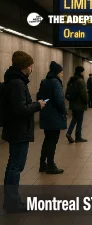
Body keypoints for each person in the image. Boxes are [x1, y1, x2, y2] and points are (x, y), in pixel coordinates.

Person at [2, 51, 46, 213]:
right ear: (25, 66)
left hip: (16, 129)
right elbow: (20, 109)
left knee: (14, 165)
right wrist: (37, 105)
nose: (32, 68)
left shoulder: (14, 81)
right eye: (30, 65)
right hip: (19, 130)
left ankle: (12, 200)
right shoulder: (17, 84)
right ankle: (12, 202)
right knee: (15, 167)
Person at [37, 61, 66, 174]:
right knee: (52, 141)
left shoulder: (44, 81)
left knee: (47, 140)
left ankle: (42, 164)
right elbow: (59, 100)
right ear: (57, 72)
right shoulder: (56, 82)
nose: (62, 74)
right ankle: (51, 165)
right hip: (54, 117)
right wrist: (63, 111)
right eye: (61, 72)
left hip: (45, 115)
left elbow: (39, 96)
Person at [66, 66, 88, 143]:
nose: (84, 73)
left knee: (74, 119)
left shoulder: (71, 80)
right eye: (83, 72)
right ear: (81, 72)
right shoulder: (80, 81)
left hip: (73, 104)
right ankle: (78, 137)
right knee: (79, 121)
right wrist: (86, 101)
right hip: (80, 105)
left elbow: (67, 93)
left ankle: (69, 133)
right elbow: (83, 94)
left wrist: (71, 100)